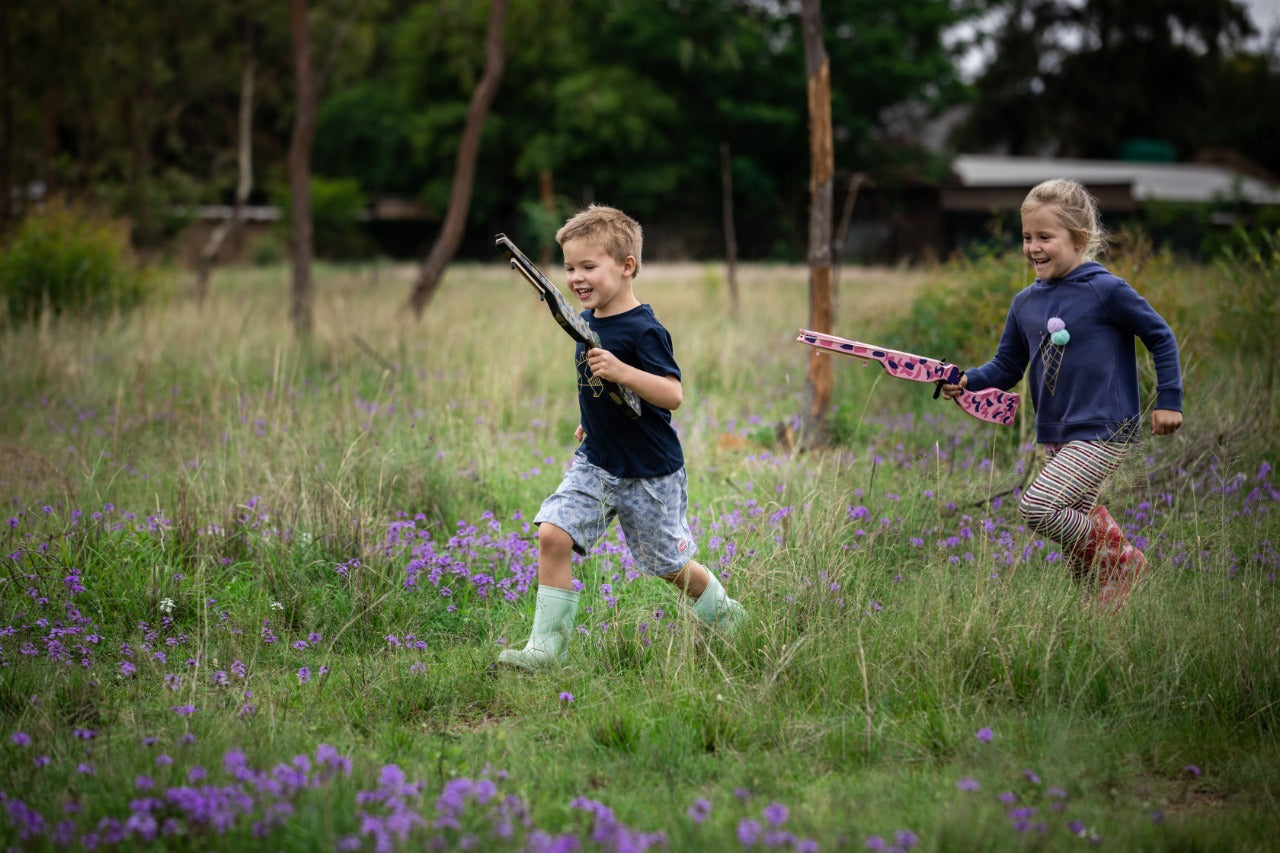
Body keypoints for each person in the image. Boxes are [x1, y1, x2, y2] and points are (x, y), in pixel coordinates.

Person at [499, 205, 745, 669]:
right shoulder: (587, 322)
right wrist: (592, 420)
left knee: (669, 567)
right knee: (552, 534)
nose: (576, 277)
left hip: (648, 471)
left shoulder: (644, 328)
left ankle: (725, 615)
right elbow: (601, 387)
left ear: (626, 266)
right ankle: (545, 650)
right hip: (596, 460)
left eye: (589, 266)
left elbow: (672, 394)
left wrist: (623, 370)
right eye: (570, 267)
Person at [940, 179, 1183, 609]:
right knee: (1077, 544)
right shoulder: (1025, 303)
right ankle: (1103, 613)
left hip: (1105, 427)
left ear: (1080, 239)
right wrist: (966, 380)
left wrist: (1169, 401)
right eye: (1027, 237)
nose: (1033, 247)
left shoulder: (1105, 290)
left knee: (1038, 507)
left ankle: (1123, 560)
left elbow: (1160, 336)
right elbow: (1007, 367)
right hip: (1056, 431)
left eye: (1045, 237)